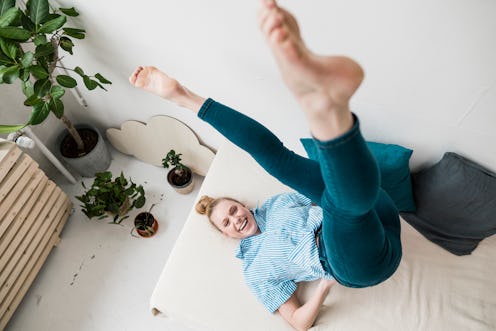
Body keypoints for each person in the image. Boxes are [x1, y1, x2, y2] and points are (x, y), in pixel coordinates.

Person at [129, 0, 402, 330]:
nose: (234, 219)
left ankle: (185, 97)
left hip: (376, 212)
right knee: (339, 206)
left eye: (232, 210)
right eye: (227, 223)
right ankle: (326, 111)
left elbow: (323, 187)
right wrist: (324, 287)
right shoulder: (254, 270)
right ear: (227, 236)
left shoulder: (277, 205)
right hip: (352, 261)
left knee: (280, 161)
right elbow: (299, 323)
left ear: (244, 205)